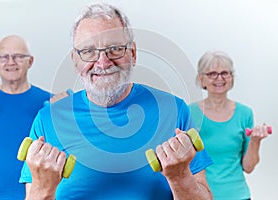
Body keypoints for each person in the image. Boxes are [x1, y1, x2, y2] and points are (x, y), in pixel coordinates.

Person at [19, 3, 213, 200]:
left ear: (133, 54)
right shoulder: (46, 121)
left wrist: (180, 178)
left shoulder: (175, 110)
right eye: (88, 52)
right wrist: (43, 189)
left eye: (115, 49)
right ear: (75, 61)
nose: (103, 62)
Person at [189, 50, 270, 200]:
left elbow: (248, 167)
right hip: (201, 196)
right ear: (201, 79)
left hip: (238, 195)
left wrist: (255, 141)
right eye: (212, 73)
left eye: (225, 73)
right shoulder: (190, 112)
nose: (219, 78)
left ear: (231, 77)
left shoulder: (245, 113)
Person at [0, 35, 51, 199]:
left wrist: (68, 112)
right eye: (4, 57)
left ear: (30, 61)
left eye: (18, 56)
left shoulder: (50, 106)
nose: (11, 62)